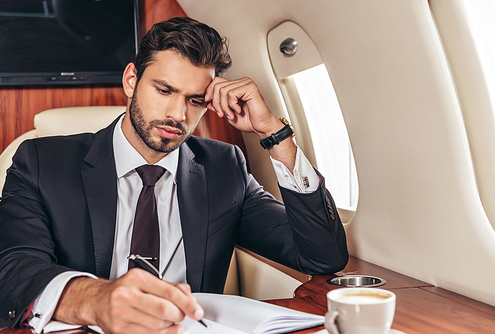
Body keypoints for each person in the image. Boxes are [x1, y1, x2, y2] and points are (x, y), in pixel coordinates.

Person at [0, 17, 348, 333]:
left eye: (196, 100)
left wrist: (275, 134)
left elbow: (322, 256)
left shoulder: (224, 167)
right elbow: (14, 269)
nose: (177, 114)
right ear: (131, 79)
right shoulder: (43, 162)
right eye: (164, 90)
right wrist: (98, 301)